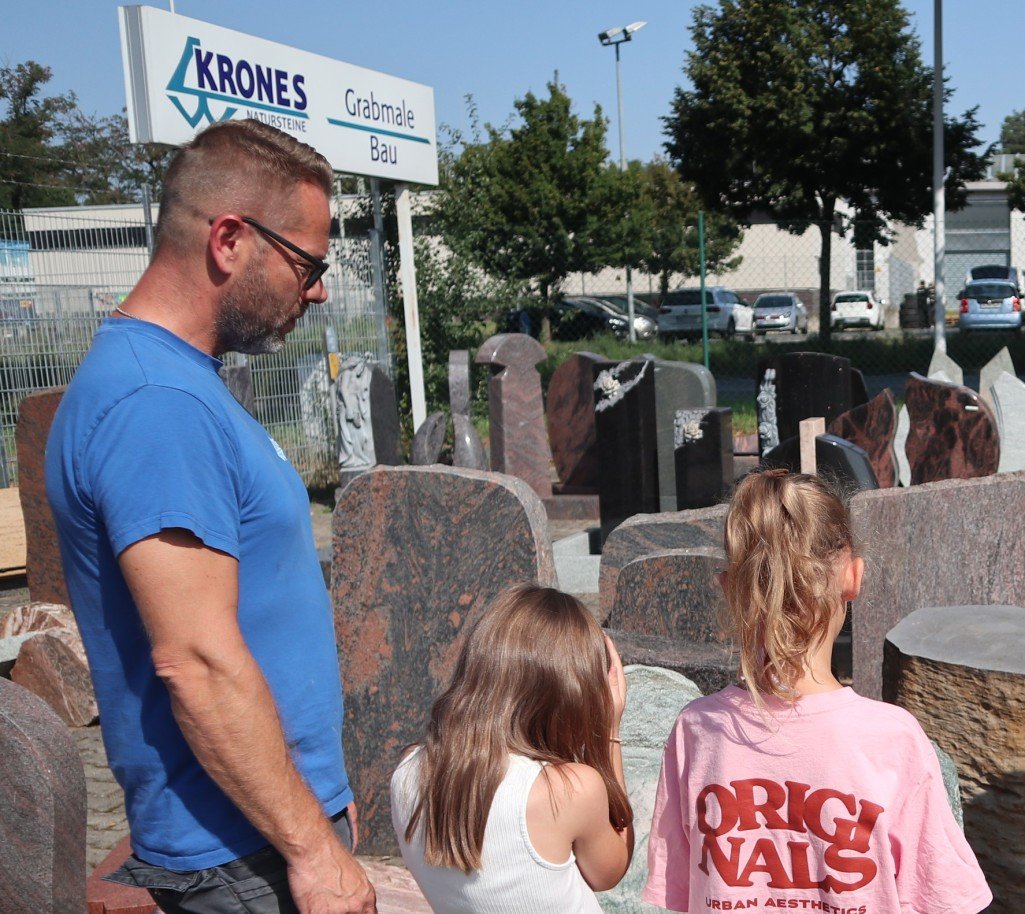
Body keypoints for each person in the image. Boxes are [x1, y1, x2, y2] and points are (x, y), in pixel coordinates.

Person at [45, 119, 374, 914]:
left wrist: (320, 796)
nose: (319, 288)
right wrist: (310, 845)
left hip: (267, 825)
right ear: (229, 240)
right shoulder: (155, 406)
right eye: (308, 263)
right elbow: (195, 660)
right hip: (242, 852)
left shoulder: (178, 383)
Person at [642, 469, 991, 914]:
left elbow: (679, 895)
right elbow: (945, 899)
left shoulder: (697, 730)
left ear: (731, 588)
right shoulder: (893, 739)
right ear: (853, 578)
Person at [389, 585, 634, 912]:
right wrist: (609, 732)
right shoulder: (568, 789)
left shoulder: (407, 770)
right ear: (568, 691)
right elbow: (609, 871)